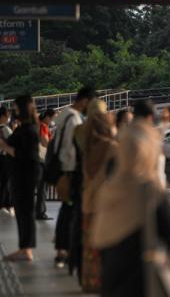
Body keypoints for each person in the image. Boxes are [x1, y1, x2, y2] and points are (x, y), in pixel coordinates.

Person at [91, 117, 170, 297]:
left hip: (110, 282)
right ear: (149, 153)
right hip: (142, 284)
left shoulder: (108, 189)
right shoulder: (150, 192)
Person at [73, 101, 117, 293]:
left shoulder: (85, 145)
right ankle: (103, 282)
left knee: (89, 245)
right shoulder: (111, 147)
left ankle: (88, 282)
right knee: (106, 245)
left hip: (87, 201)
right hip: (106, 204)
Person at [52, 86, 97, 268]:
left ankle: (63, 248)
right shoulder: (74, 119)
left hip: (65, 170)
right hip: (72, 171)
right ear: (85, 101)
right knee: (71, 211)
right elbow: (71, 149)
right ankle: (65, 250)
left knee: (67, 209)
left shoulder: (65, 115)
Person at [0, 95, 40, 262]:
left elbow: (25, 155)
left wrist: (4, 146)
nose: (14, 111)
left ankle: (26, 249)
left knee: (25, 212)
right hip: (23, 174)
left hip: (24, 175)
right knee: (23, 212)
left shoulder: (28, 129)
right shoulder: (27, 127)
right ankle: (24, 247)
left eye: (15, 108)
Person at [132, 101, 170, 187]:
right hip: (151, 192)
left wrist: (164, 122)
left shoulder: (126, 136)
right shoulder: (148, 141)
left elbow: (156, 135)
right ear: (150, 117)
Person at [0, 107, 14, 217]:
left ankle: (3, 206)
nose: (8, 117)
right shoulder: (4, 129)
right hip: (5, 159)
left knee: (4, 182)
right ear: (2, 117)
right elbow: (13, 142)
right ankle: (2, 206)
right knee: (5, 183)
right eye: (7, 115)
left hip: (1, 159)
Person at [36, 109, 56, 220]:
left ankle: (39, 211)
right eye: (52, 118)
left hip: (38, 159)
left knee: (41, 187)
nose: (53, 121)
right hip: (42, 159)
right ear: (47, 117)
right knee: (42, 188)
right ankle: (40, 212)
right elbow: (45, 142)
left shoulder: (40, 126)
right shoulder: (43, 126)